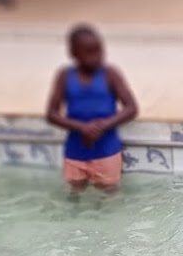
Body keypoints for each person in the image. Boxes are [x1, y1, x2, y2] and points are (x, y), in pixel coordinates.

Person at [45, 24, 139, 194]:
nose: (96, 56)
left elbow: (131, 108)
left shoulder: (110, 74)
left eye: (99, 50)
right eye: (89, 52)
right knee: (73, 195)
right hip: (74, 152)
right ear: (73, 53)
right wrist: (82, 127)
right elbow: (51, 114)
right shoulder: (64, 76)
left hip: (106, 151)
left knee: (109, 194)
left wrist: (103, 125)